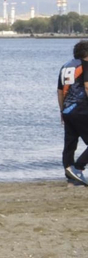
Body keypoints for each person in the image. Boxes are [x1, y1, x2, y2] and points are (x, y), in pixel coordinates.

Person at [58, 39, 88, 185]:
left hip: (67, 110)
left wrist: (61, 110)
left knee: (70, 144)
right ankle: (77, 168)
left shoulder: (65, 67)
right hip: (82, 109)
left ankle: (71, 177)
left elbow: (60, 91)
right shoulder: (85, 65)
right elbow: (87, 87)